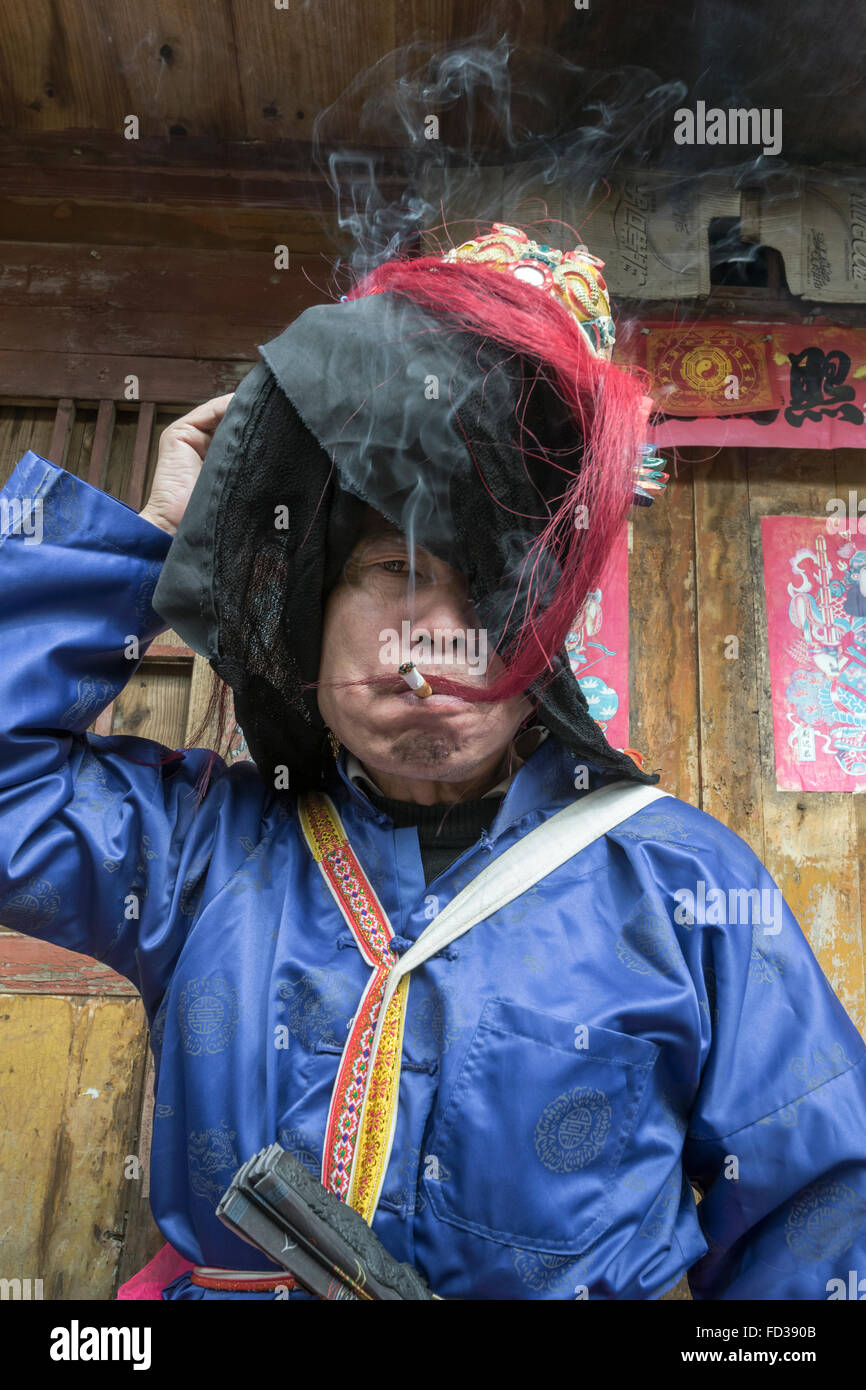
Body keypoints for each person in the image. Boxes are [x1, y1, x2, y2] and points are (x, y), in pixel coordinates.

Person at [0, 225, 864, 1301]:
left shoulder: (691, 888)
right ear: (312, 616)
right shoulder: (198, 849)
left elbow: (820, 1222)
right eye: (384, 568)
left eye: (489, 585)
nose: (435, 639)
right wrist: (162, 529)